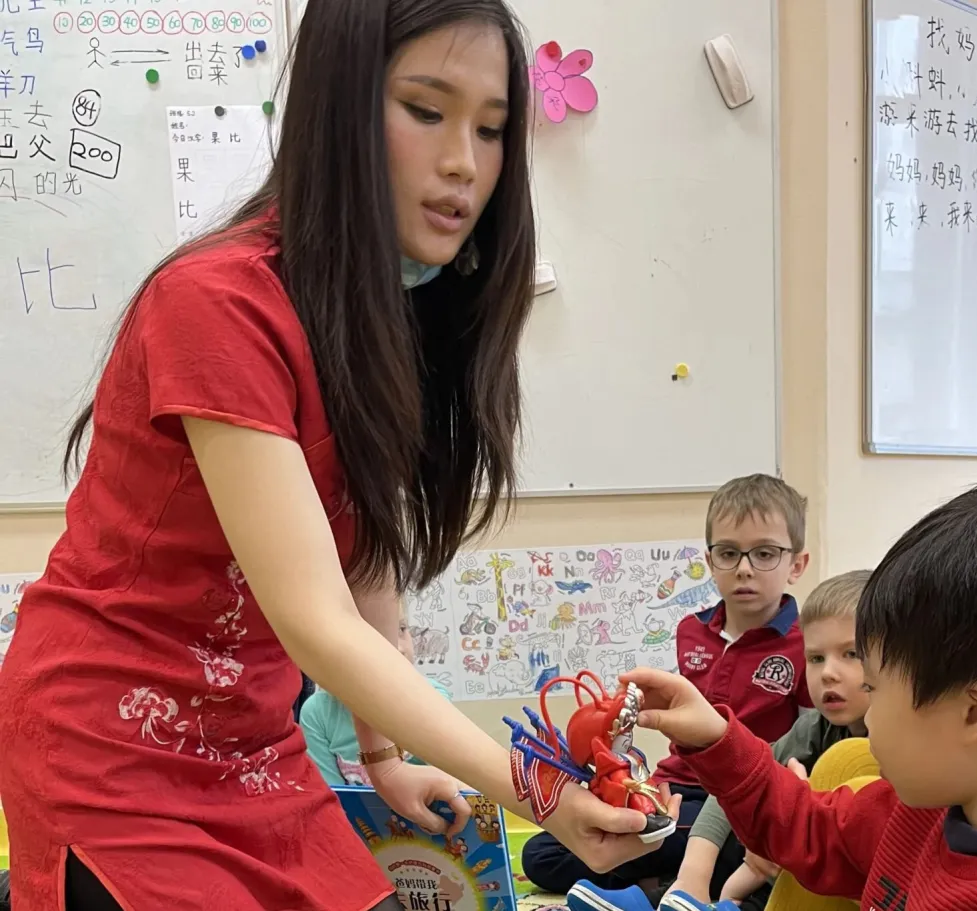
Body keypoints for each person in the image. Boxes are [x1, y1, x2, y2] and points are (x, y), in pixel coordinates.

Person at [0, 2, 672, 909]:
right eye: (426, 111)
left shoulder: (397, 310)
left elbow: (364, 550)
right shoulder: (216, 302)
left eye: (493, 128)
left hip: (250, 746)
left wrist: (382, 756)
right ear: (339, 106)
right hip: (109, 747)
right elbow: (317, 616)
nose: (462, 164)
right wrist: (542, 791)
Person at [619, 482, 977, 909]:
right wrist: (715, 737)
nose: (868, 714)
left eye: (873, 686)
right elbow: (804, 825)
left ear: (973, 713)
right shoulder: (918, 810)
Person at [523, 474, 813, 898]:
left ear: (797, 565)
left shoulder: (807, 644)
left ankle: (656, 885)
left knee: (744, 854)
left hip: (738, 801)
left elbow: (809, 740)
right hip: (670, 787)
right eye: (729, 553)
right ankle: (658, 885)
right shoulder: (690, 631)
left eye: (765, 553)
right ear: (710, 561)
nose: (745, 568)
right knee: (542, 853)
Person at [669, 570, 873, 911]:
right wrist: (692, 877)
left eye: (851, 654)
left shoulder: (903, 745)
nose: (828, 673)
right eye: (816, 658)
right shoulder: (814, 728)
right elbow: (739, 775)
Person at [301, 602, 452, 788]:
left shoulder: (433, 697)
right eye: (374, 637)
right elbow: (331, 794)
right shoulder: (317, 713)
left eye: (402, 629)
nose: (399, 648)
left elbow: (450, 776)